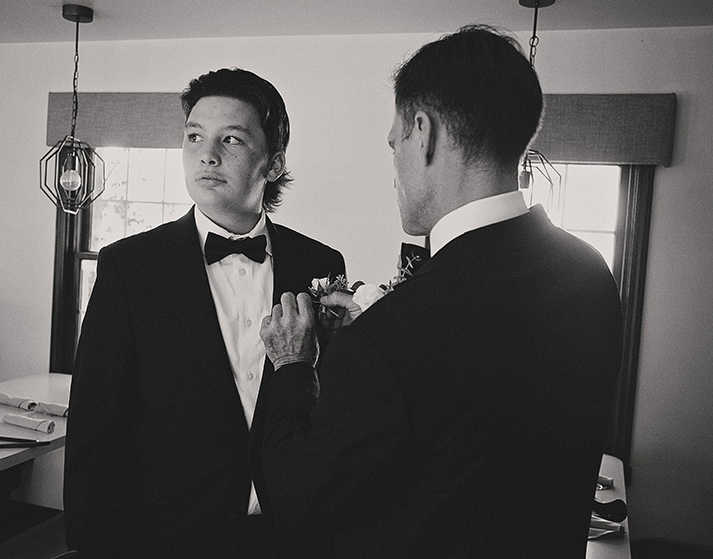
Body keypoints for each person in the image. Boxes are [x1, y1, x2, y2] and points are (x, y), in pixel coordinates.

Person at [252, 25, 624, 558]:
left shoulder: (395, 333)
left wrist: (293, 363)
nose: (394, 170)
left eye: (394, 142)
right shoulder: (591, 273)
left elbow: (294, 503)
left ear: (422, 133)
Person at [63, 68, 345, 559]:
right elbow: (94, 430)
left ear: (274, 163)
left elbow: (330, 410)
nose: (206, 154)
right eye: (194, 136)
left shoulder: (321, 265)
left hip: (290, 535)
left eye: (231, 139)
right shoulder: (129, 268)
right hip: (165, 537)